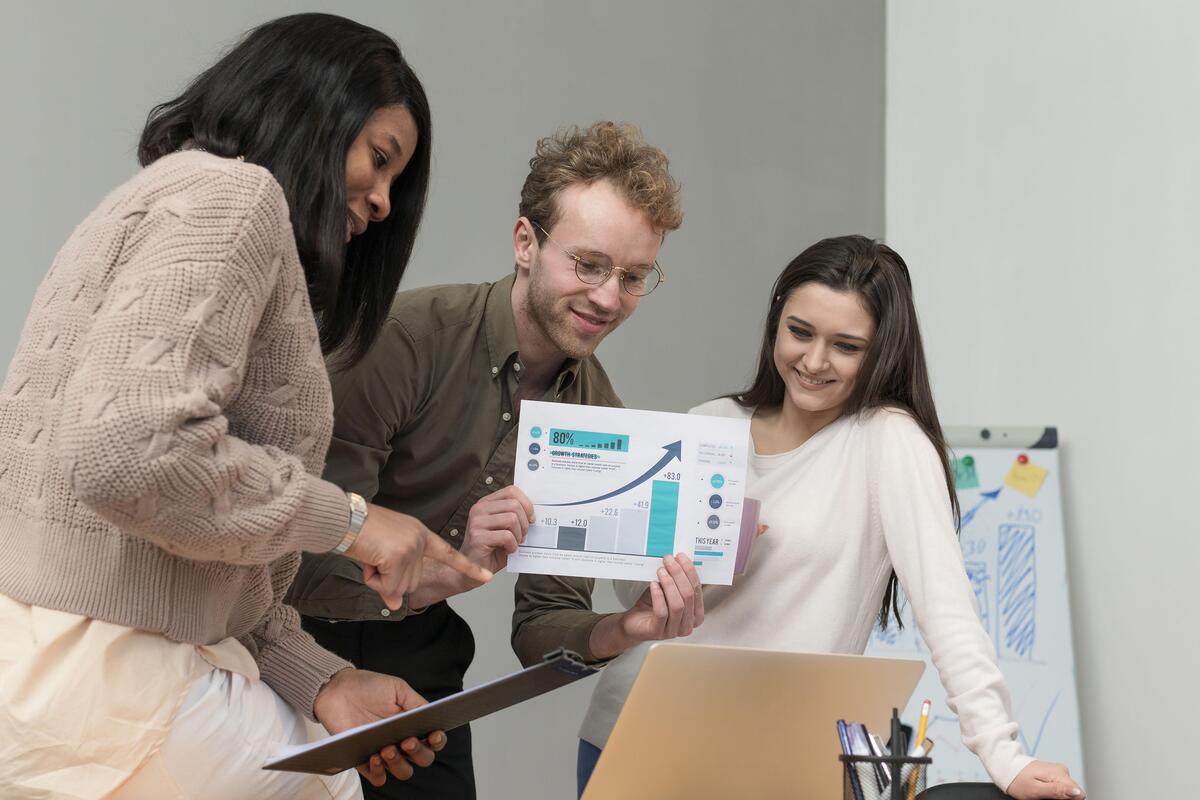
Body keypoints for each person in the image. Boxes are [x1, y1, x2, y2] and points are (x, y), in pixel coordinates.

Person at [0, 13, 490, 799]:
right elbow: (131, 454)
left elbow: (182, 540)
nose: (385, 200)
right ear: (314, 110)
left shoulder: (151, 201)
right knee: (329, 786)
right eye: (380, 158)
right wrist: (356, 522)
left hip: (41, 670)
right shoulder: (237, 196)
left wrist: (323, 681)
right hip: (117, 682)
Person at [569, 236, 1086, 799]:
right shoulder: (712, 423)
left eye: (846, 345)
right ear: (776, 321)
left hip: (777, 755)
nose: (814, 362)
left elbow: (948, 609)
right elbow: (632, 595)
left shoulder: (887, 441)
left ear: (882, 350)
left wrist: (1002, 754)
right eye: (800, 332)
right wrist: (693, 561)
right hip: (634, 731)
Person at [287, 120, 705, 799]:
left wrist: (628, 627)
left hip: (418, 653)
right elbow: (298, 557)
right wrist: (448, 564)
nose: (608, 298)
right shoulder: (404, 342)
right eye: (589, 264)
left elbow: (542, 629)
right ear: (524, 244)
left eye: (633, 276)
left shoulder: (600, 417)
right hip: (291, 641)